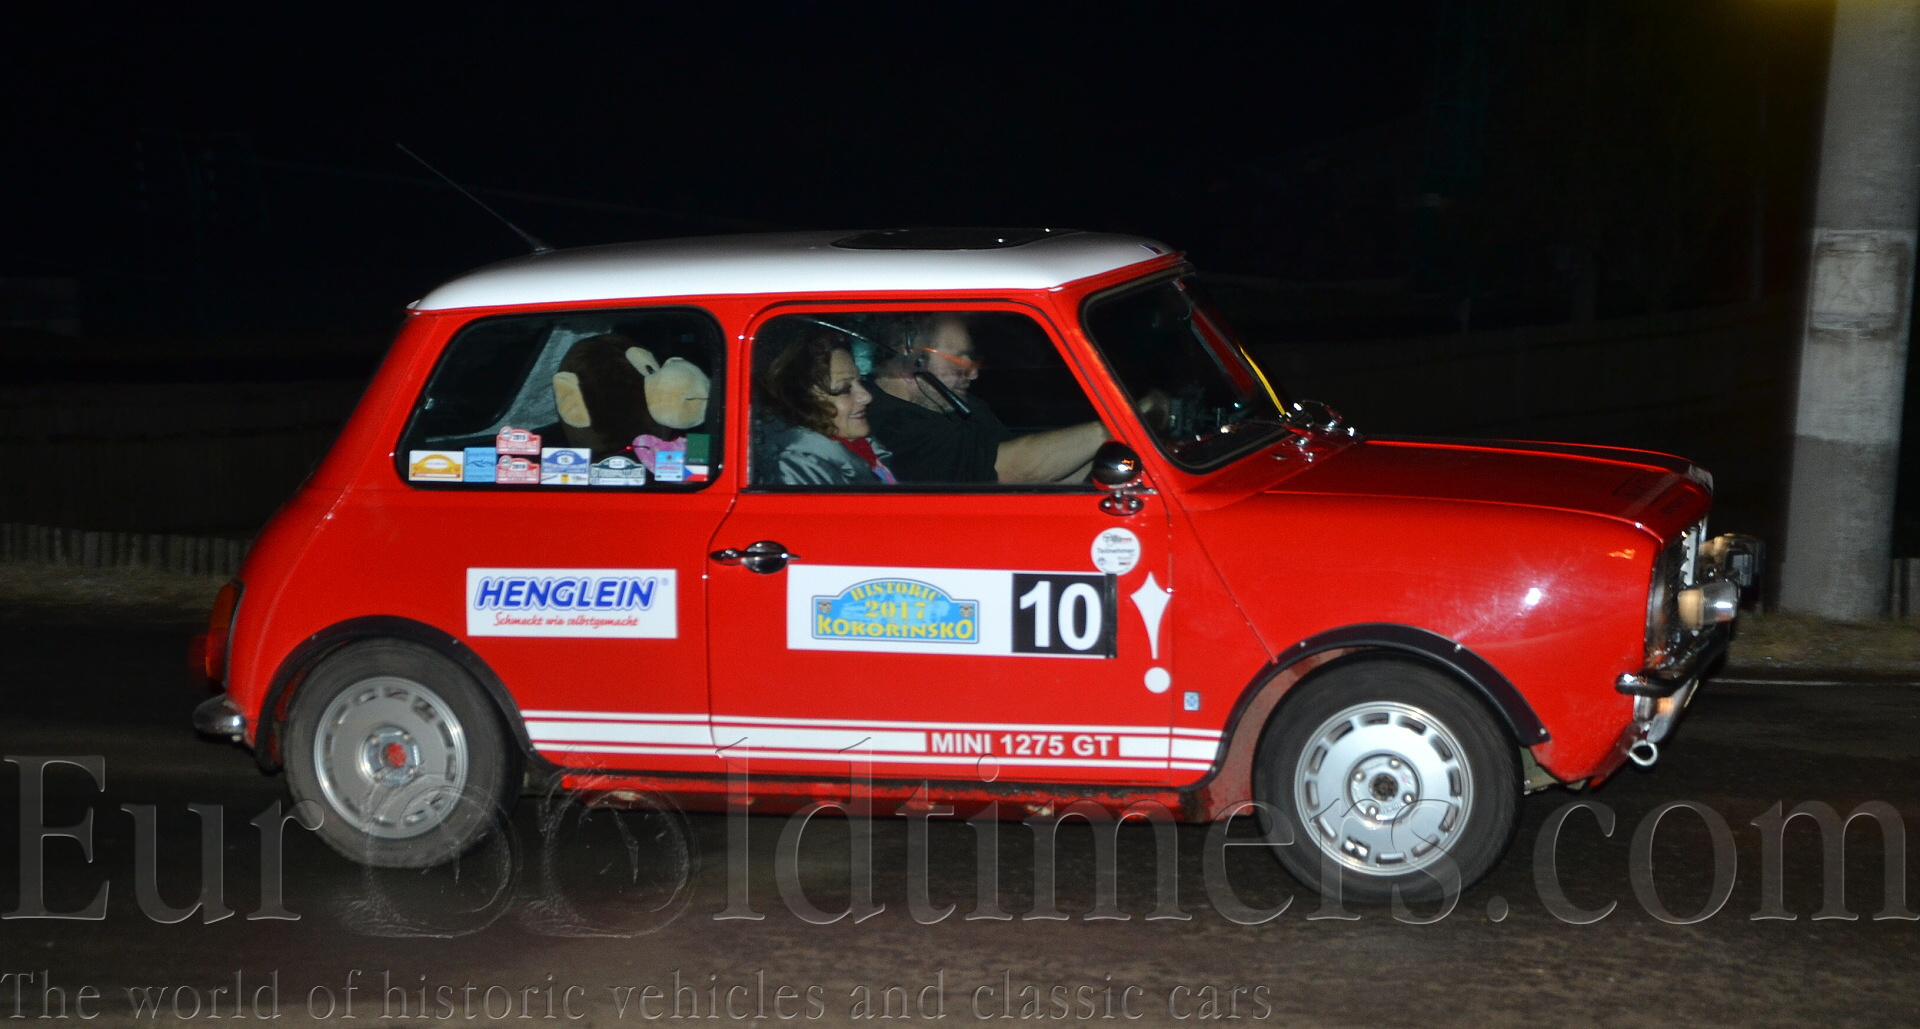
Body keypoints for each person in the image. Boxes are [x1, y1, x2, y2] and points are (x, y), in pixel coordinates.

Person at [865, 314, 1109, 484]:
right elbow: (1011, 470)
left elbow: (1043, 476)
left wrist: (1108, 461)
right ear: (910, 361)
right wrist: (1110, 428)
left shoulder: (958, 404)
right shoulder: (890, 428)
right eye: (959, 360)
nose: (973, 373)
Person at [753, 329, 897, 486]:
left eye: (860, 381)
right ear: (802, 401)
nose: (867, 396)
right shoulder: (799, 466)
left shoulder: (863, 450)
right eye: (844, 389)